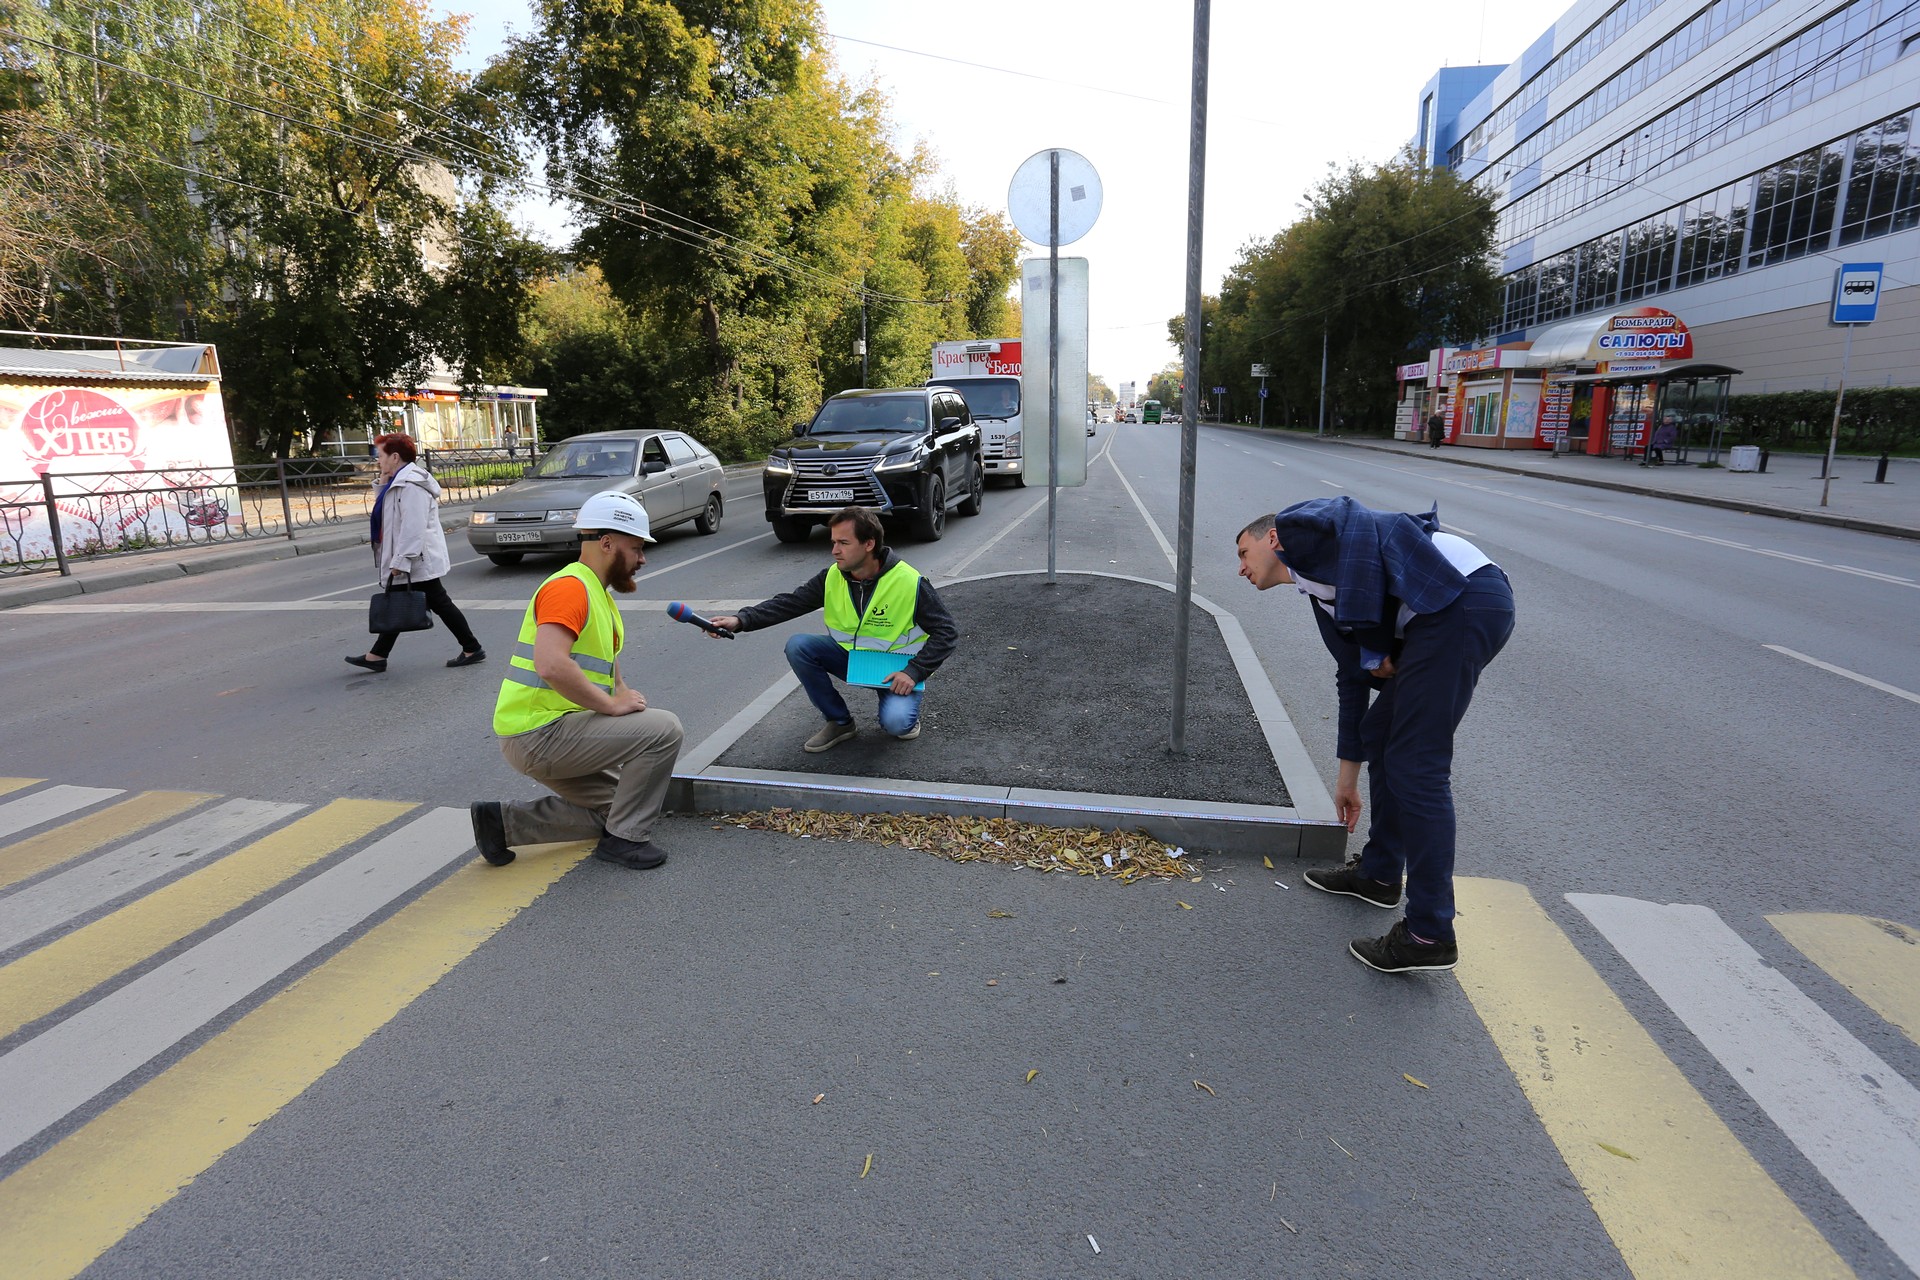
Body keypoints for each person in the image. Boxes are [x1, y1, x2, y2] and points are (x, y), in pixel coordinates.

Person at [1234, 497, 1515, 974]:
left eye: (1243, 552)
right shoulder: (1319, 595)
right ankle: (1380, 873)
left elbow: (1352, 516)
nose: (1240, 567)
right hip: (1445, 610)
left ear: (1271, 538)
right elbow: (1354, 679)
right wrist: (1347, 781)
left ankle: (1429, 933)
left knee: (1416, 766)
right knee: (1380, 730)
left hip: (1463, 598)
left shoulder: (1300, 532)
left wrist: (1376, 642)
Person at [470, 492, 685, 870]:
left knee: (620, 805)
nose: (642, 559)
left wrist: (622, 696)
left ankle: (501, 824)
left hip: (553, 730)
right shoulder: (569, 587)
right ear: (606, 543)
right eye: (636, 548)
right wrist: (611, 706)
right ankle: (625, 842)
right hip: (539, 734)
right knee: (665, 730)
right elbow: (551, 664)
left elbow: (606, 664)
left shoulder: (597, 593)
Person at [708, 506, 958, 752]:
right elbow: (791, 603)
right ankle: (840, 722)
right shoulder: (833, 576)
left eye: (843, 543)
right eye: (834, 542)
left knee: (897, 725)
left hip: (895, 670)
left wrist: (914, 671)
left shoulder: (909, 581)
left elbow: (946, 631)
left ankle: (902, 713)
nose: (834, 551)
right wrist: (740, 620)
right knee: (799, 646)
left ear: (869, 544)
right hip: (851, 658)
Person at [346, 433, 486, 673]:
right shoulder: (399, 481)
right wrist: (383, 480)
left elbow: (413, 527)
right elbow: (388, 513)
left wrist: (401, 560)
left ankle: (471, 648)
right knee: (409, 600)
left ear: (395, 456)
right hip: (413, 557)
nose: (378, 460)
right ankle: (378, 654)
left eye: (380, 456)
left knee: (422, 601)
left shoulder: (411, 485)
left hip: (418, 558)